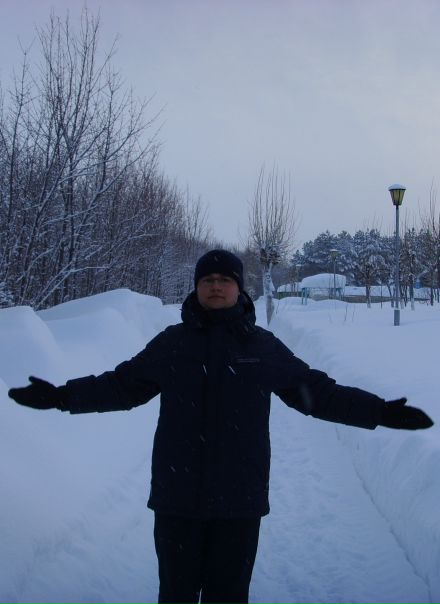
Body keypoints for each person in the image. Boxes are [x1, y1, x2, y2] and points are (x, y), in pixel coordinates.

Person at [8, 249, 434, 604]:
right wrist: (62, 396)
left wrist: (378, 412)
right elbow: (121, 386)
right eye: (208, 279)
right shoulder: (172, 344)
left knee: (228, 595)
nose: (216, 286)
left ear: (238, 288)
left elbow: (317, 393)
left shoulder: (262, 347)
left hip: (239, 503)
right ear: (196, 287)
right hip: (177, 500)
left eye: (225, 279)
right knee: (175, 594)